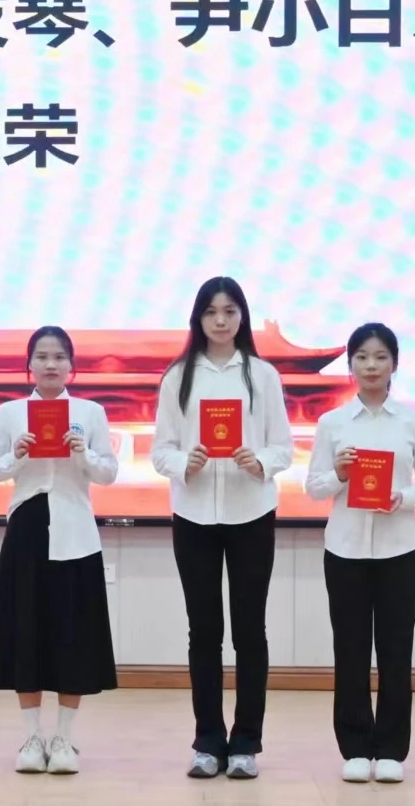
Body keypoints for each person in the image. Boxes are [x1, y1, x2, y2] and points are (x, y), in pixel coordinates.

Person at [148, 276, 294, 780]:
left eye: (230, 311)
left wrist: (261, 462)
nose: (221, 320)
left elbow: (283, 447)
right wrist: (182, 463)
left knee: (250, 630)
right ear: (198, 318)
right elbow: (161, 450)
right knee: (204, 631)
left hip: (252, 512)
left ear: (242, 317)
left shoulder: (262, 375)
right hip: (193, 516)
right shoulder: (178, 377)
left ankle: (247, 742)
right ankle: (208, 741)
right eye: (211, 311)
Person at [0, 325, 121, 775]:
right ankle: (31, 738)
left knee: (72, 634)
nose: (51, 364)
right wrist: (16, 457)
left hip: (75, 530)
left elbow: (109, 473)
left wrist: (82, 454)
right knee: (26, 631)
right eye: (41, 356)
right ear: (29, 365)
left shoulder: (90, 412)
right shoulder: (10, 413)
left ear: (72, 366)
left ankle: (63, 738)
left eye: (59, 356)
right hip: (27, 528)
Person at [303, 323, 415, 785]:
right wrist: (340, 475)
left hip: (400, 549)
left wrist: (404, 497)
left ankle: (393, 749)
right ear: (350, 365)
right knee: (351, 650)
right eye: (361, 357)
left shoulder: (414, 422)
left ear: (394, 364)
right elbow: (314, 487)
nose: (371, 365)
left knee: (397, 651)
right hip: (345, 550)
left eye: (380, 357)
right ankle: (357, 746)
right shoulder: (333, 423)